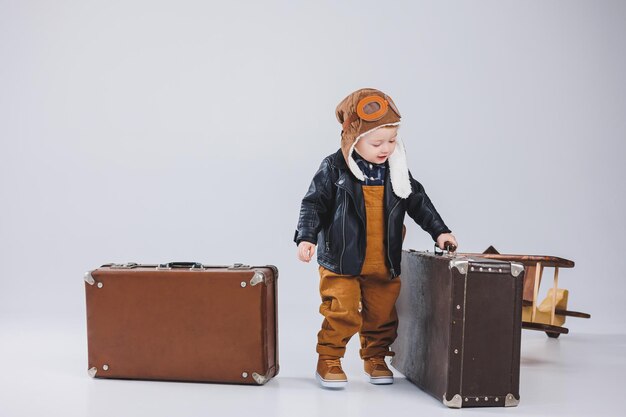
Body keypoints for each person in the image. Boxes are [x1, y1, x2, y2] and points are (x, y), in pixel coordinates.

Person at [294, 87, 458, 389]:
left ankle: (376, 356)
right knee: (341, 310)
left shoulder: (396, 172)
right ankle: (328, 358)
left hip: (383, 260)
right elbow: (313, 203)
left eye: (393, 140)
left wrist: (440, 230)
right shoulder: (334, 168)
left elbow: (419, 202)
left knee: (382, 314)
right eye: (377, 142)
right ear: (353, 139)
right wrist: (306, 237)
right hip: (341, 259)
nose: (386, 148)